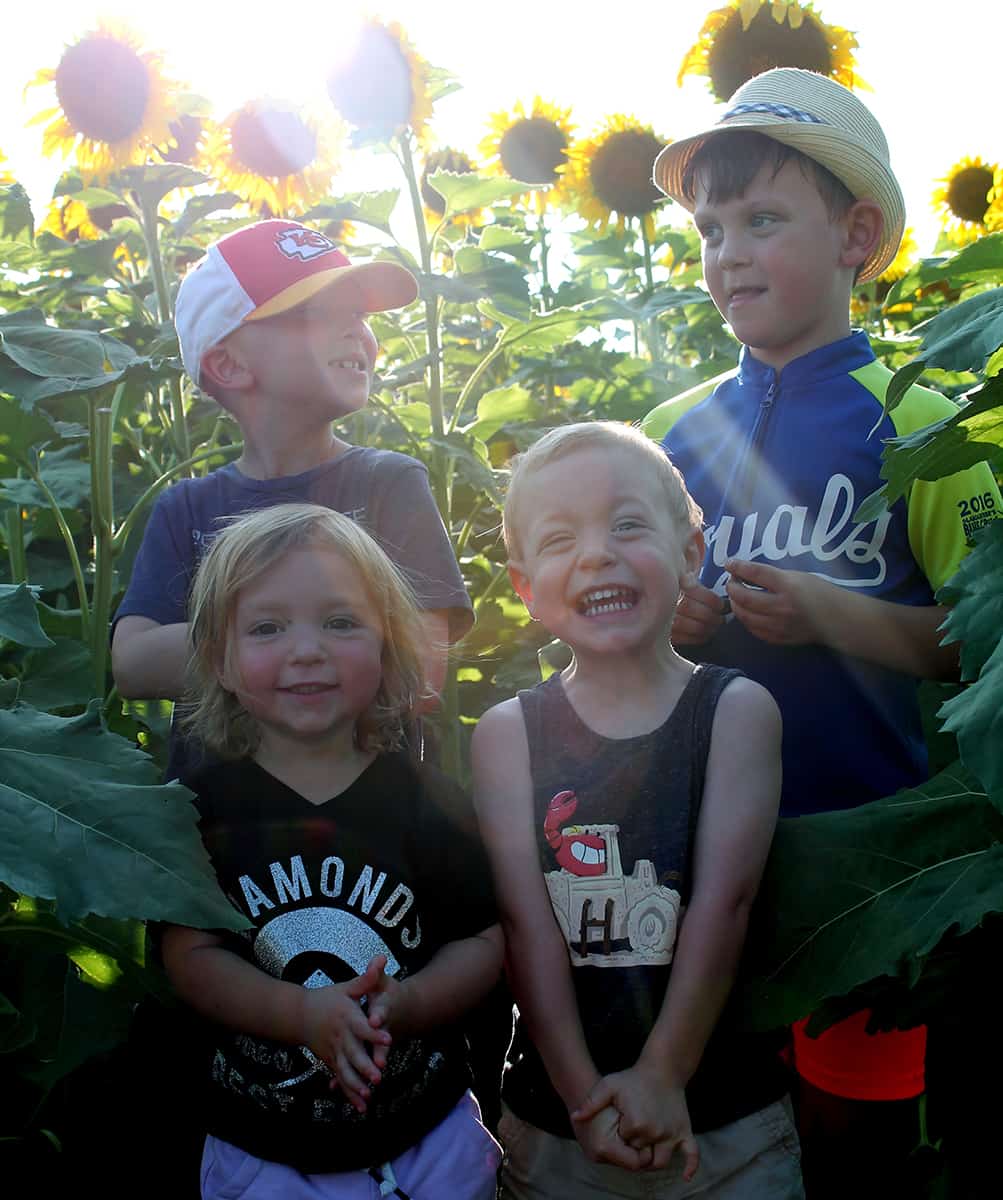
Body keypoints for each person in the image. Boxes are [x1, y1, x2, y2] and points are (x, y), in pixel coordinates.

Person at [646, 67, 1003, 1198]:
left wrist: (825, 616)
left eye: (762, 220)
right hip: (700, 869)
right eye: (709, 229)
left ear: (857, 235)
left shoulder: (926, 422)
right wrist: (676, 621)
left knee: (860, 1149)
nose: (727, 255)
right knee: (723, 1139)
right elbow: (615, 640)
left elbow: (980, 647)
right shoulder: (666, 435)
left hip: (872, 866)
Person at [473, 421, 801, 1199]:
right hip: (558, 1126)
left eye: (627, 525)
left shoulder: (734, 711)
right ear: (524, 588)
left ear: (691, 552)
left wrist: (662, 1073)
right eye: (559, 540)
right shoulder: (506, 735)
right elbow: (526, 930)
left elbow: (725, 904)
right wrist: (584, 1094)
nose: (595, 554)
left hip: (724, 1121)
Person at [161, 502, 503, 1199]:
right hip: (263, 1141)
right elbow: (188, 956)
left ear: (388, 644)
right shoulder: (195, 810)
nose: (307, 649)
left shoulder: (427, 800)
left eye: (341, 622)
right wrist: (299, 1015)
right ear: (219, 662)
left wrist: (409, 1003)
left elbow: (482, 940)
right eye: (267, 627)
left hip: (423, 1131)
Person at [111, 217, 472, 778]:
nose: (358, 331)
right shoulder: (186, 507)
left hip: (374, 825)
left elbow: (423, 671)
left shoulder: (390, 483)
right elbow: (131, 664)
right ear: (229, 363)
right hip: (220, 825)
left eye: (360, 313)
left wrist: (261, 638)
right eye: (321, 312)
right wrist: (328, 629)